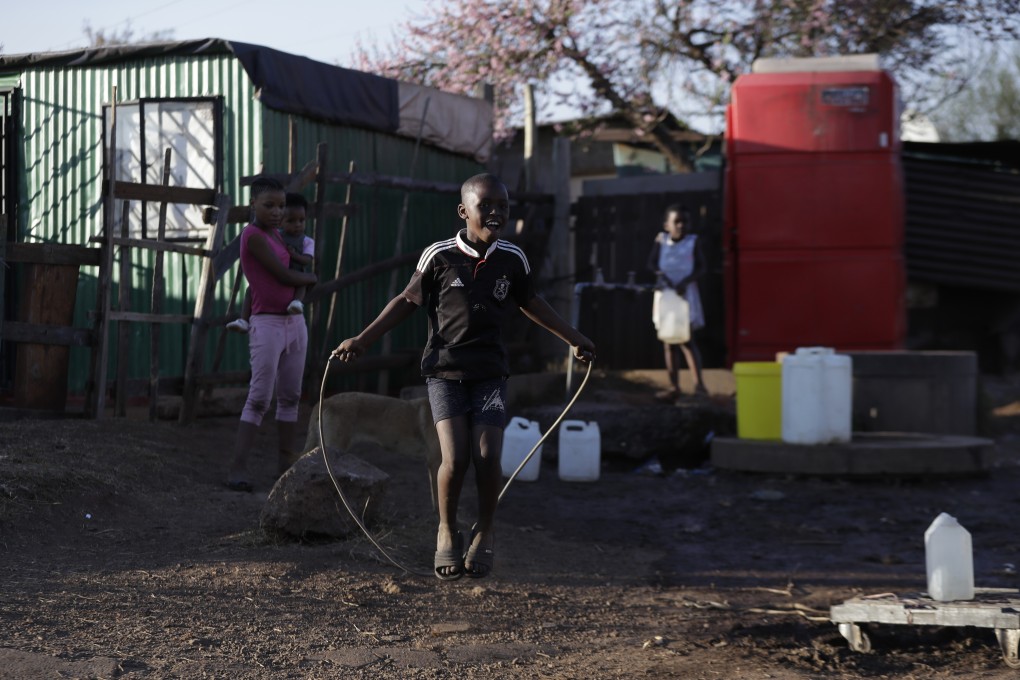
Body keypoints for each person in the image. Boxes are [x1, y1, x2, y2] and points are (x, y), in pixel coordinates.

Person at [332, 173, 596, 581]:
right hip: (445, 372)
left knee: (488, 456)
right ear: (464, 211)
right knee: (454, 459)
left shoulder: (513, 258)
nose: (496, 212)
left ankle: (485, 530)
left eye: (503, 206)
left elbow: (531, 302)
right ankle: (446, 529)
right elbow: (407, 300)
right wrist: (363, 339)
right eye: (486, 205)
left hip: (490, 373)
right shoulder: (438, 256)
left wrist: (574, 338)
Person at [225, 178, 318, 492]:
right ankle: (237, 468)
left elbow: (288, 268)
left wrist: (304, 274)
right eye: (269, 205)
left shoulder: (278, 236)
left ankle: (285, 468)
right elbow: (281, 275)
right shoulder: (252, 236)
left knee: (290, 396)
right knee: (259, 398)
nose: (277, 211)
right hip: (266, 324)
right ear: (253, 205)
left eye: (280, 205)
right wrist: (311, 277)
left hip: (294, 325)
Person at [226, 192, 314, 332]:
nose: (297, 225)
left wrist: (294, 255)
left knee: (302, 283)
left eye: (301, 220)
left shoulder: (307, 241)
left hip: (296, 271)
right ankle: (243, 319)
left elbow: (307, 260)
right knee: (251, 289)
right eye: (291, 221)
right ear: (281, 221)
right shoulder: (275, 235)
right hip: (278, 274)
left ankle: (297, 302)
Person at [647, 203, 707, 401]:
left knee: (687, 340)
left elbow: (701, 266)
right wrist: (662, 277)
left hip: (684, 295)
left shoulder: (693, 241)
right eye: (677, 222)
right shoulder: (661, 241)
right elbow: (652, 263)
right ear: (667, 225)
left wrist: (686, 282)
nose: (681, 225)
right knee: (668, 341)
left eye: (685, 221)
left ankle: (699, 385)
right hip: (666, 295)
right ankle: (674, 387)